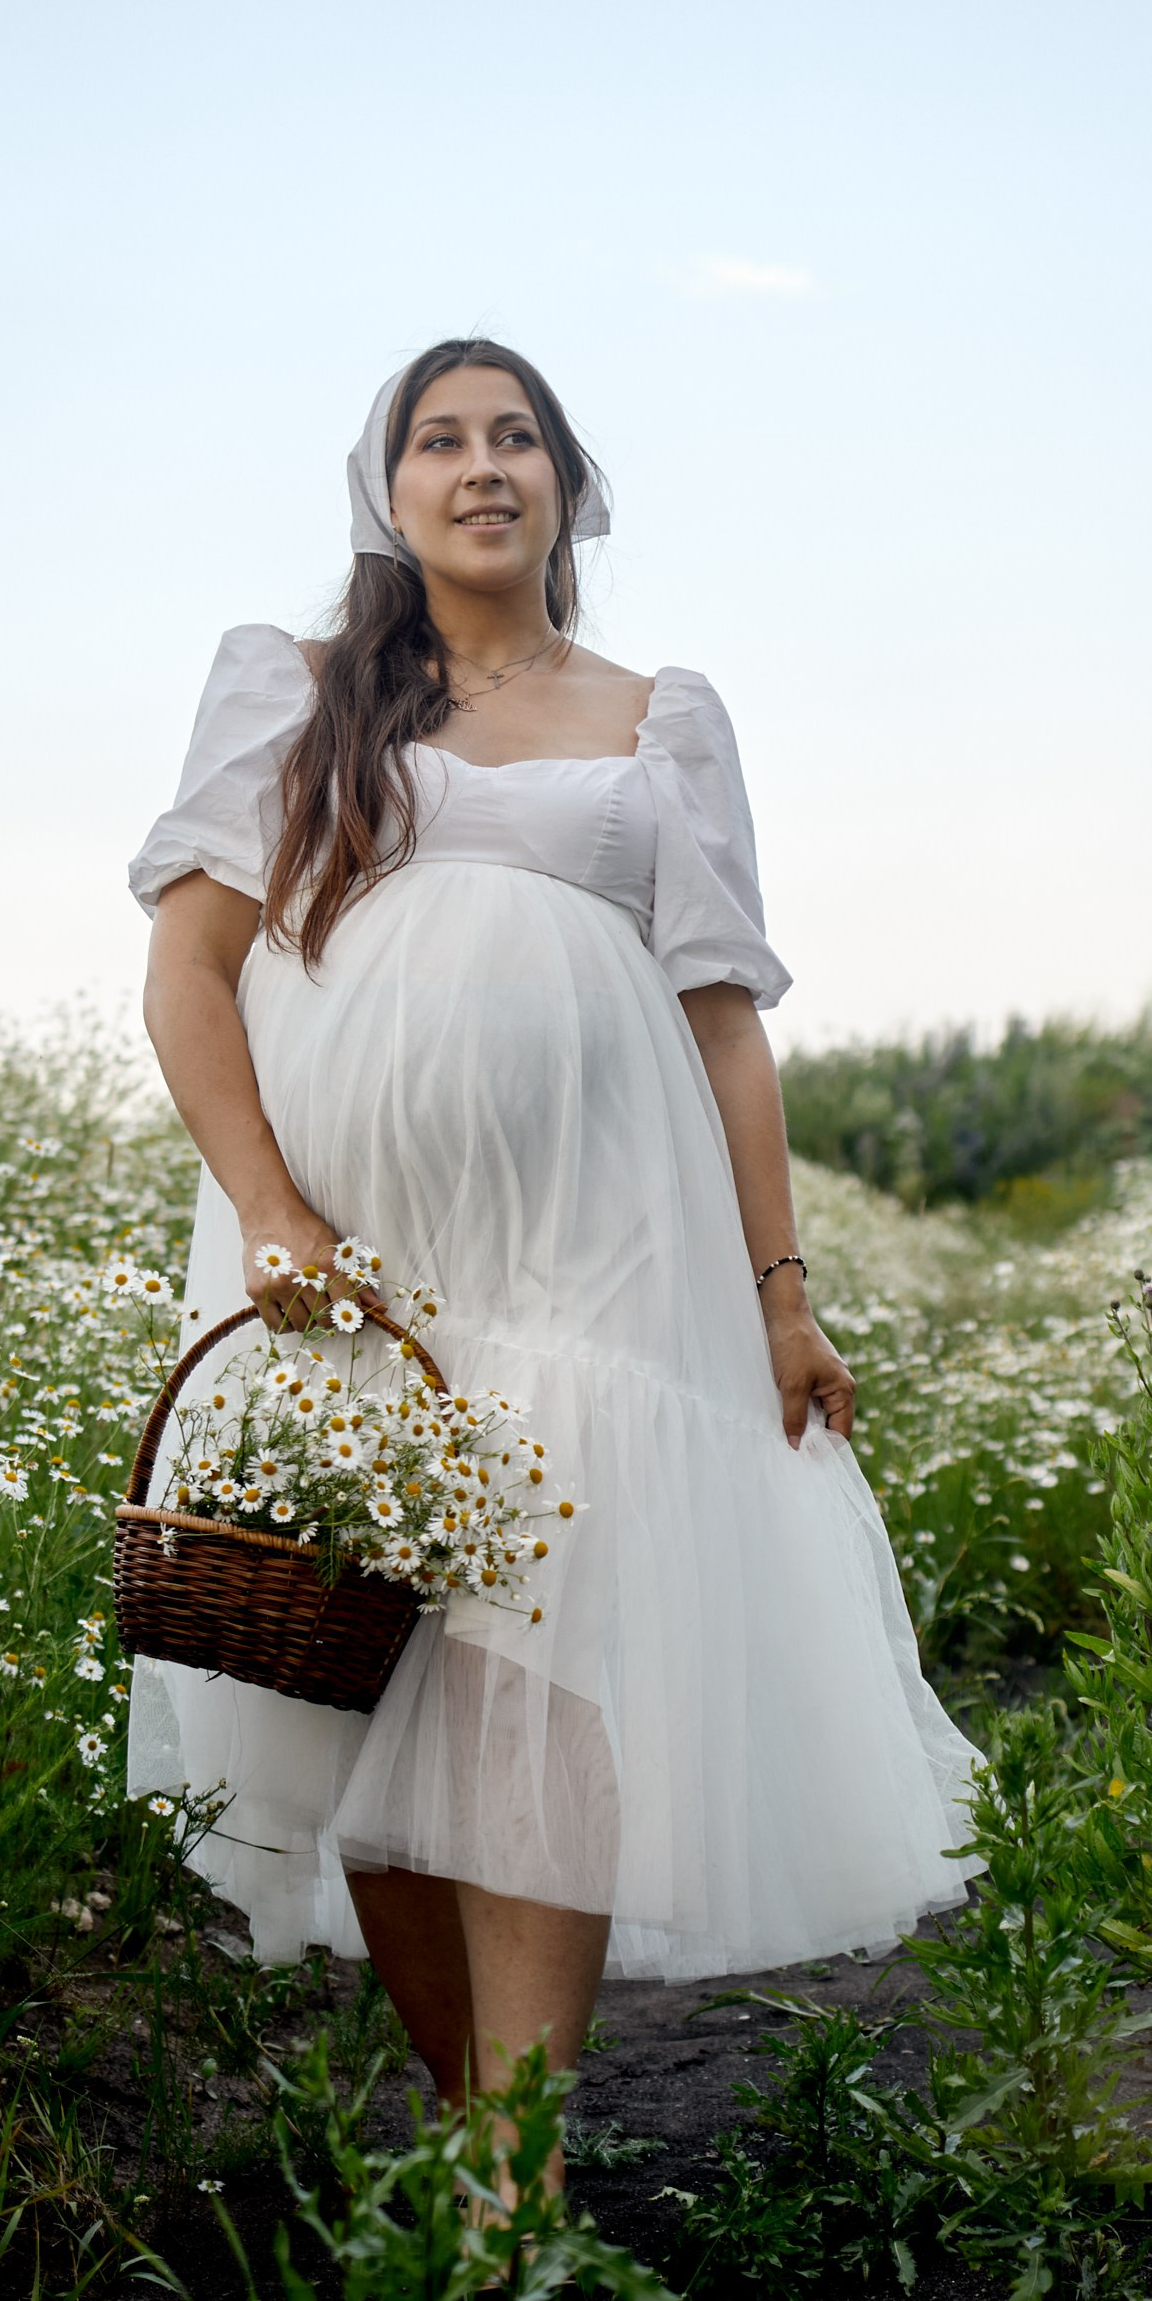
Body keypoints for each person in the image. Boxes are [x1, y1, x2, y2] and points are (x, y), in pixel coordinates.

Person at [127, 336, 978, 2149]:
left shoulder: (660, 717)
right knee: (366, 1696)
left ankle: (518, 2167)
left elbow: (725, 1021)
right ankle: (466, 2120)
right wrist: (274, 1212)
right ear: (392, 490)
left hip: (601, 1253)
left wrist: (782, 1299)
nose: (482, 465)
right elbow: (189, 977)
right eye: (442, 440)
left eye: (518, 437)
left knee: (543, 1668)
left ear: (570, 488)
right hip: (361, 1260)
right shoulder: (292, 693)